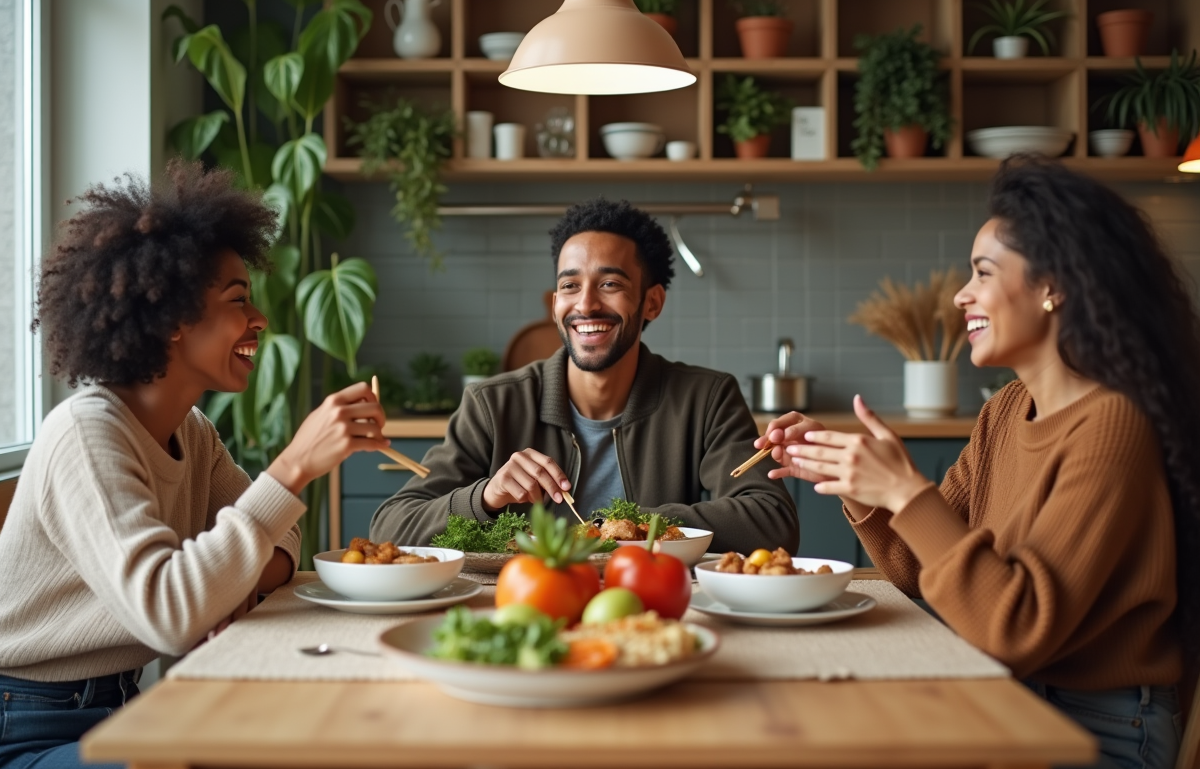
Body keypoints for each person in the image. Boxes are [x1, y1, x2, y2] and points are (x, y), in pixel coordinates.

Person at [759, 155, 1197, 769]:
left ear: (1054, 286)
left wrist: (907, 491)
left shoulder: (1112, 424)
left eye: (983, 273)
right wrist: (858, 482)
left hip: (1100, 725)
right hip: (1014, 692)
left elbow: (1013, 630)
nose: (962, 294)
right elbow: (926, 573)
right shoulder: (1008, 409)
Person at [0, 161, 390, 769]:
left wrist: (222, 586)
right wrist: (292, 467)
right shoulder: (87, 434)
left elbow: (281, 540)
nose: (259, 319)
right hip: (27, 728)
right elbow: (171, 615)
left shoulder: (192, 432)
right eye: (239, 301)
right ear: (174, 320)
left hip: (129, 706)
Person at [371, 198, 797, 554]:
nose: (586, 305)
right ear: (556, 302)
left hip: (655, 605)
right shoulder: (491, 404)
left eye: (610, 284)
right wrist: (485, 497)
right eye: (570, 286)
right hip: (523, 607)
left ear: (652, 302)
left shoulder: (706, 398)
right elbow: (389, 527)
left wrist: (623, 525)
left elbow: (772, 520)